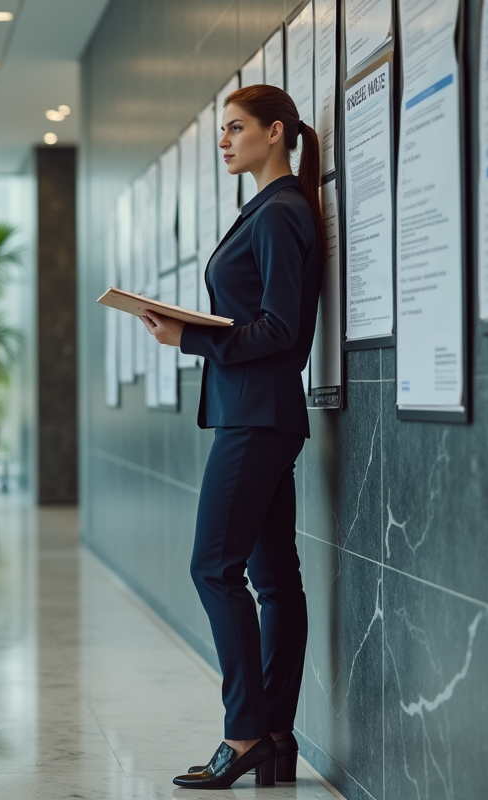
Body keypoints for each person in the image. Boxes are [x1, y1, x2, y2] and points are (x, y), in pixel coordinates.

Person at [139, 85, 323, 790]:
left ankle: (245, 732)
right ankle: (275, 736)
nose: (225, 141)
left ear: (275, 133)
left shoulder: (279, 213)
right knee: (274, 580)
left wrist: (189, 337)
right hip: (262, 411)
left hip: (256, 415)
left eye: (237, 128)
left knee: (212, 567)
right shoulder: (271, 209)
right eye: (222, 130)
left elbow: (281, 330)